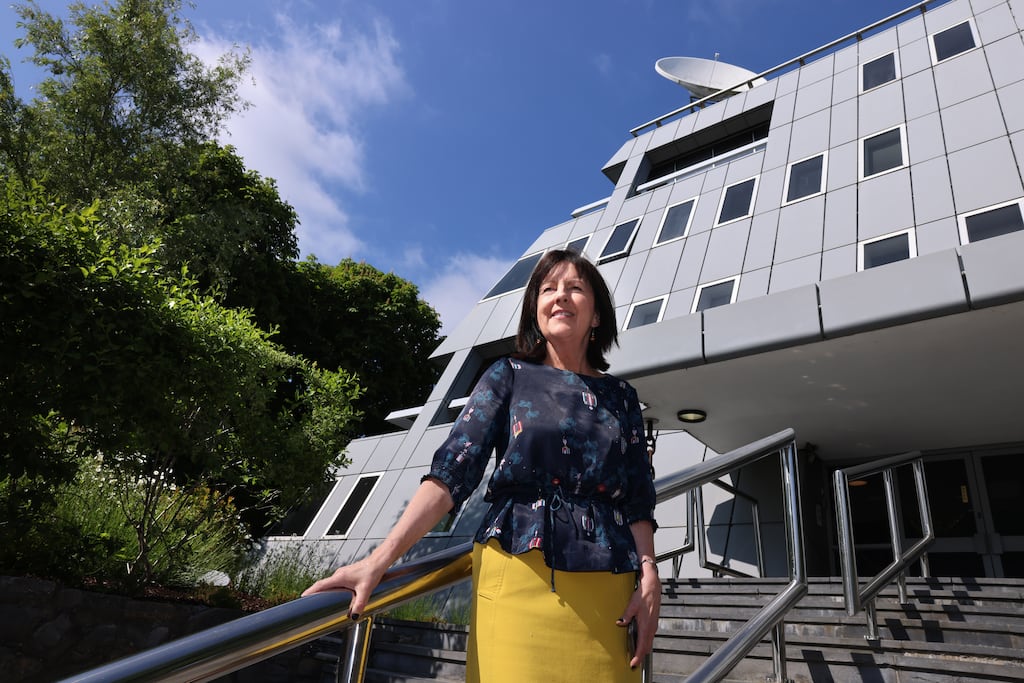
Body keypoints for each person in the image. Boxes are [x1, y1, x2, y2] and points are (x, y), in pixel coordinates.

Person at [304, 249, 660, 682]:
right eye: (548, 289)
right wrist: (379, 559)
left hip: (610, 588)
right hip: (516, 573)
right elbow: (454, 470)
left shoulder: (621, 397)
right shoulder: (506, 374)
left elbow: (638, 496)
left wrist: (649, 576)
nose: (559, 297)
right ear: (535, 309)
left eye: (575, 288)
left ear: (597, 315)